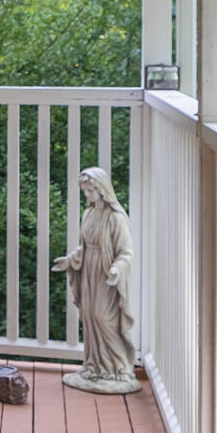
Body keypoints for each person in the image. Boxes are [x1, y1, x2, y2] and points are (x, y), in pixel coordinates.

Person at [58, 166, 139, 395]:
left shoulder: (116, 218)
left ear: (102, 190)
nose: (87, 196)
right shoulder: (89, 214)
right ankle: (95, 367)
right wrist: (70, 260)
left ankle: (119, 368)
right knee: (91, 317)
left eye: (90, 191)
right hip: (89, 271)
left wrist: (116, 269)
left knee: (104, 318)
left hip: (105, 273)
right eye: (85, 192)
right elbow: (86, 247)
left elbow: (126, 252)